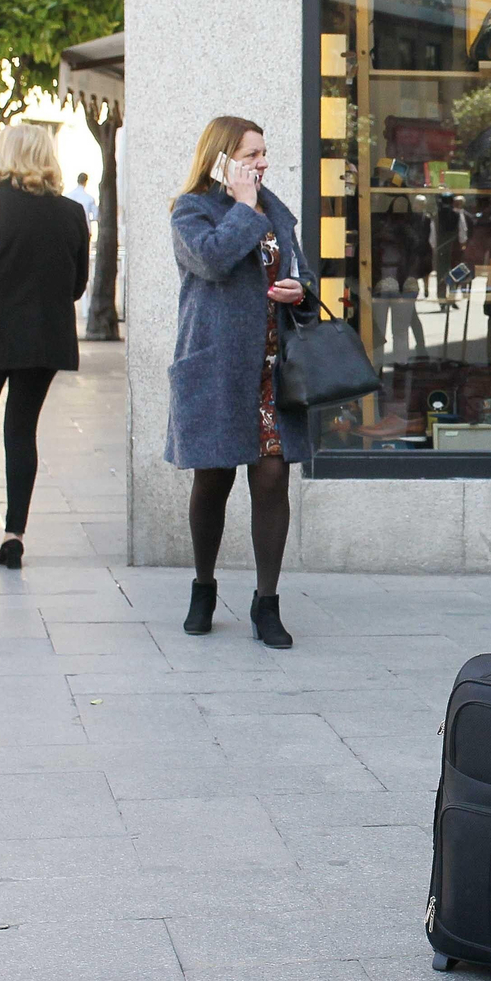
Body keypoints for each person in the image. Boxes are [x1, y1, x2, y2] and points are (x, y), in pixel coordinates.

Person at [166, 116, 318, 648]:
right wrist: (245, 206)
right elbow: (212, 260)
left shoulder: (276, 210)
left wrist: (301, 289)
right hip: (218, 368)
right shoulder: (192, 210)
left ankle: (266, 602)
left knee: (272, 477)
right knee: (213, 479)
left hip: (274, 371)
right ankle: (203, 587)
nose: (263, 163)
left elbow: (301, 270)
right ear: (222, 157)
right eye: (252, 154)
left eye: (263, 153)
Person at [0, 124, 89, 569]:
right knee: (21, 430)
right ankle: (14, 536)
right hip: (46, 337)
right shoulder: (71, 213)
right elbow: (77, 286)